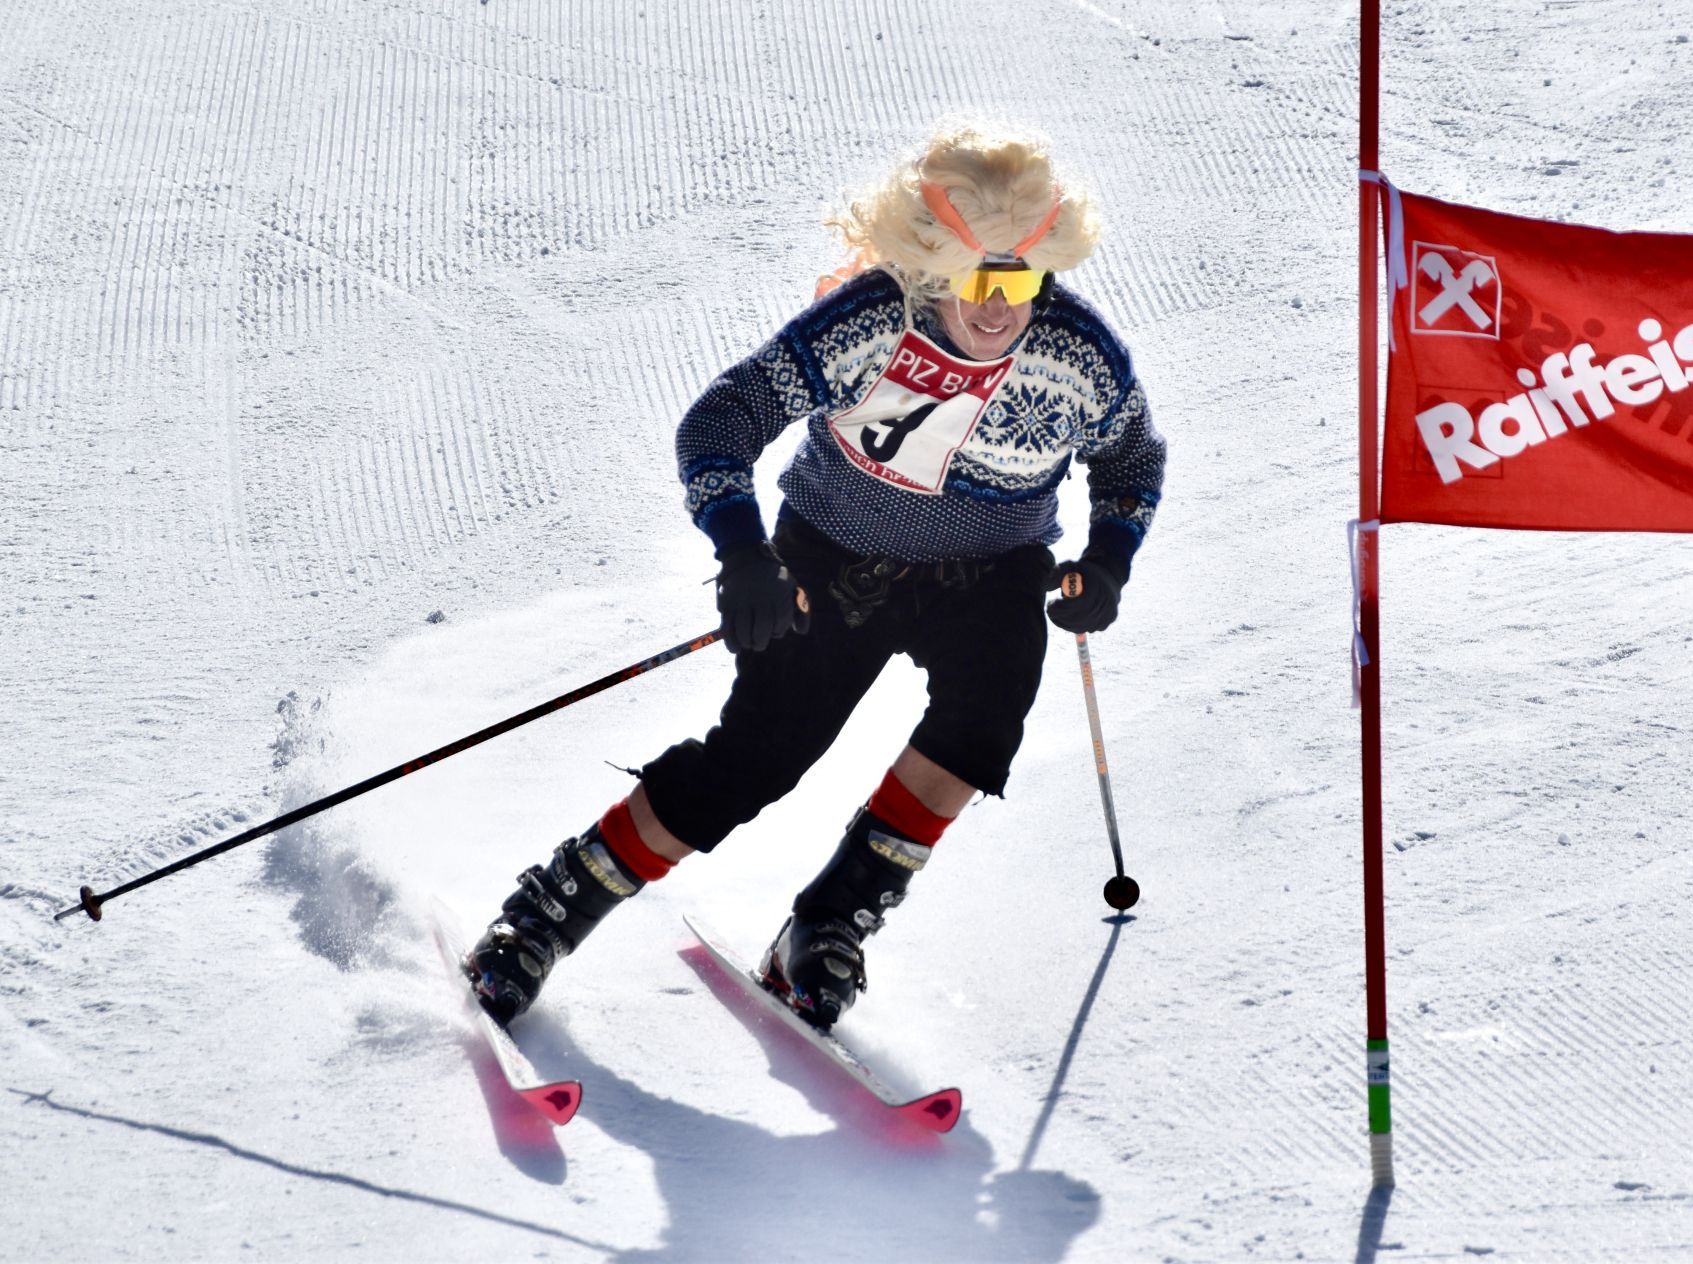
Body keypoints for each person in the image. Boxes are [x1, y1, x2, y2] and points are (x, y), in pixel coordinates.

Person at [464, 121, 1166, 1032]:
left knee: (984, 721)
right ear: (930, 268)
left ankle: (828, 925)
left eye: (1020, 280)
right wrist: (743, 554)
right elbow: (721, 421)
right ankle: (547, 913)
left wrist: (1108, 562)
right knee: (763, 756)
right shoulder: (868, 323)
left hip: (991, 569)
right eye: (972, 279)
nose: (997, 308)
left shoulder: (1080, 356)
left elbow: (1132, 463)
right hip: (837, 560)